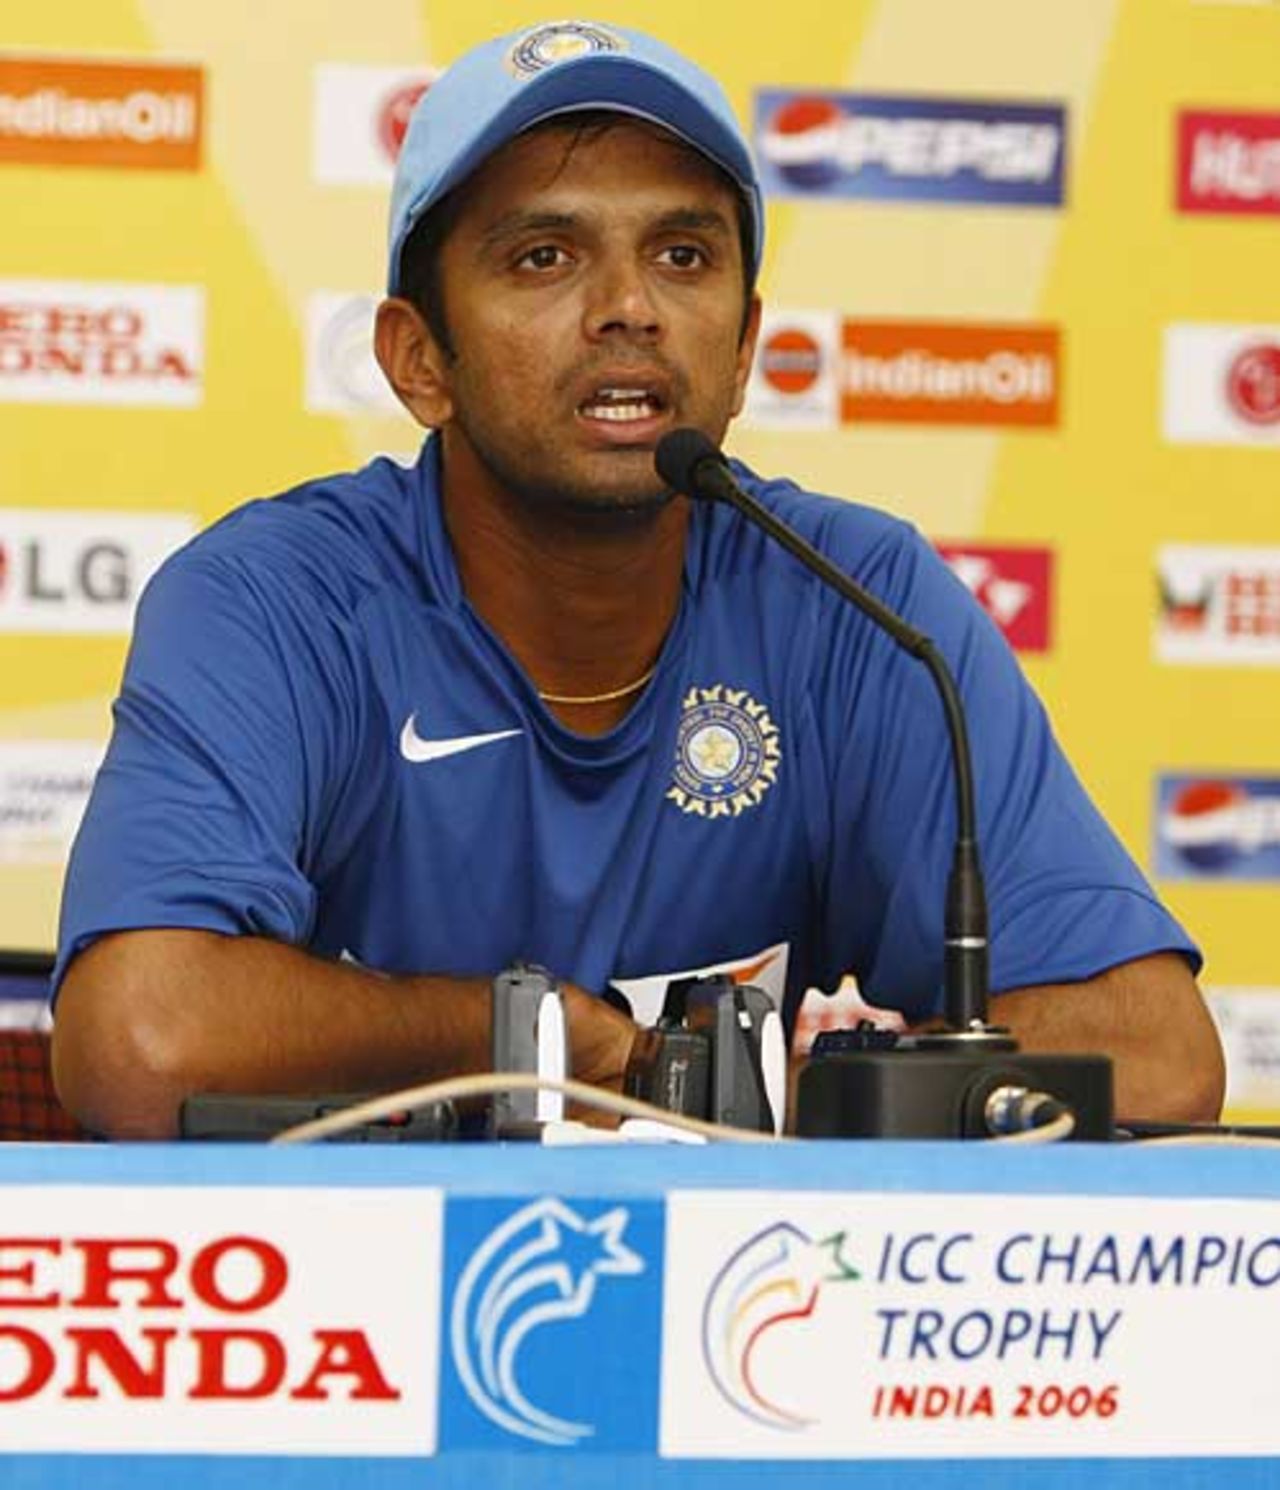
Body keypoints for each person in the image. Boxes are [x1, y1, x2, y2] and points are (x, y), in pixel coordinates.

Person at [51, 20, 1223, 1138]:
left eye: (681, 255)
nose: (628, 309)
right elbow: (143, 1040)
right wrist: (554, 1041)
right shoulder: (276, 601)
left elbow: (1159, 1052)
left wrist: (820, 1082)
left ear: (746, 341)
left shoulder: (858, 600)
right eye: (544, 256)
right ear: (418, 360)